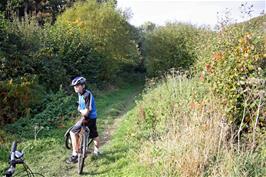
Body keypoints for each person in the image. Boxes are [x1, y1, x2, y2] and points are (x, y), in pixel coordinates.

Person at [66, 76, 100, 164]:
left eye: (77, 85)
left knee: (73, 132)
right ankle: (96, 151)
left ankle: (75, 154)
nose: (75, 87)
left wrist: (80, 110)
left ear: (83, 86)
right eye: (74, 86)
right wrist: (79, 107)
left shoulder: (87, 95)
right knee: (94, 134)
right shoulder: (80, 93)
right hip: (92, 117)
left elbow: (86, 112)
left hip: (88, 117)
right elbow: (81, 104)